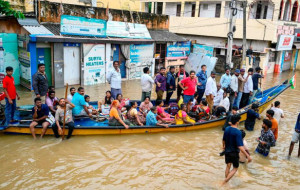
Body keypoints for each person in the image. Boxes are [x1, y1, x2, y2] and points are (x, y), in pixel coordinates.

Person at [222, 115, 252, 185]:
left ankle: (226, 181)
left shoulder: (227, 128)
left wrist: (223, 146)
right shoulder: (238, 132)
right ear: (237, 122)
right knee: (235, 168)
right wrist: (248, 156)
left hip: (227, 151)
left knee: (228, 166)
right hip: (234, 153)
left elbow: (223, 140)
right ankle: (224, 182)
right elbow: (240, 146)